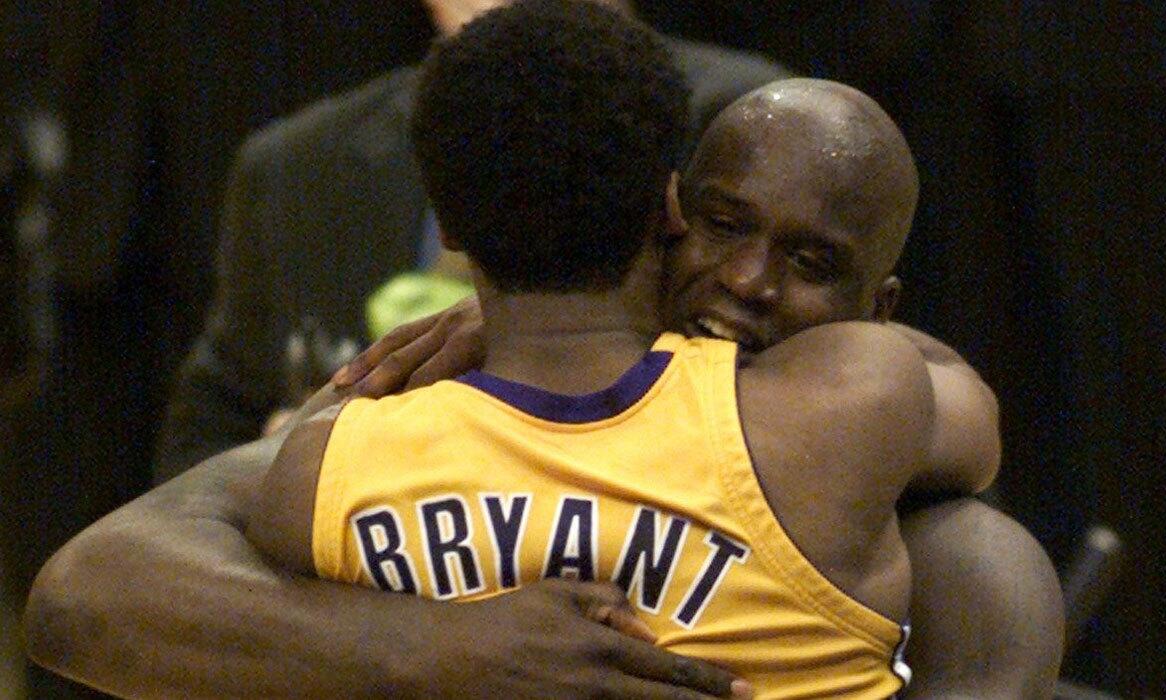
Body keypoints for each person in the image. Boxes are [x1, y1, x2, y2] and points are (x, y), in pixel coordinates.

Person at [24, 31, 1063, 700]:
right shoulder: (874, 411)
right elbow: (86, 588)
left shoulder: (333, 457)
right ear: (663, 216)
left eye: (808, 261)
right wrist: (430, 646)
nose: (746, 282)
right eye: (722, 227)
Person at [153, 0, 792, 481]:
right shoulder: (296, 164)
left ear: (669, 204)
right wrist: (304, 449)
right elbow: (200, 446)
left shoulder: (755, 124)